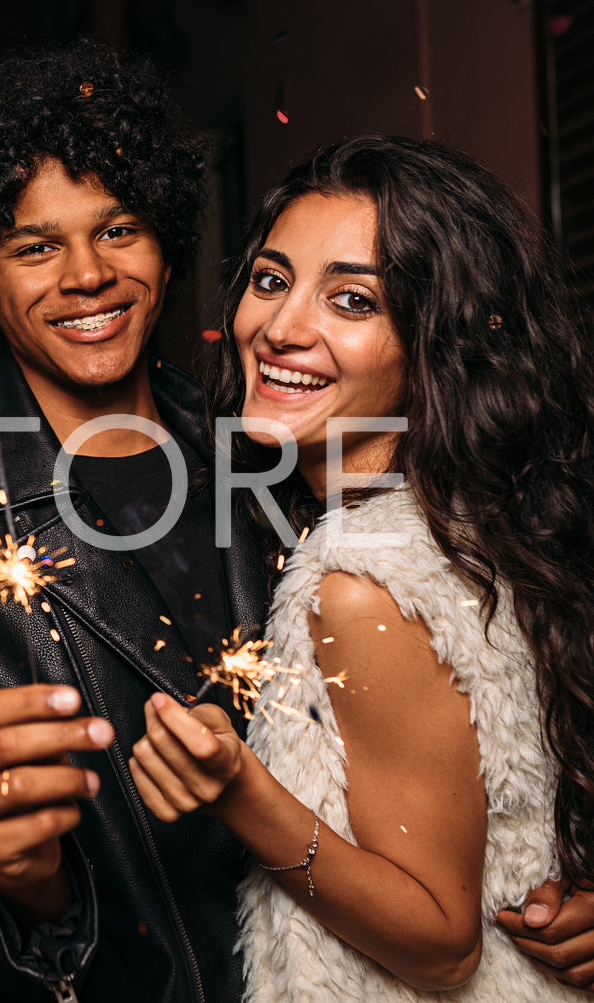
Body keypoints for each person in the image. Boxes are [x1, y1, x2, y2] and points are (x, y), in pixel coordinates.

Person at [0, 37, 594, 1002]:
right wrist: (14, 885)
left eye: (117, 228)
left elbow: (513, 689)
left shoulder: (291, 442)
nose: (84, 273)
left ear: (168, 251)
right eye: (35, 245)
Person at [128, 135, 594, 1000]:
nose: (280, 327)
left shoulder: (361, 582)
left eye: (350, 300)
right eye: (270, 280)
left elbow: (439, 944)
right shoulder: (482, 518)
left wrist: (238, 789)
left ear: (438, 342)